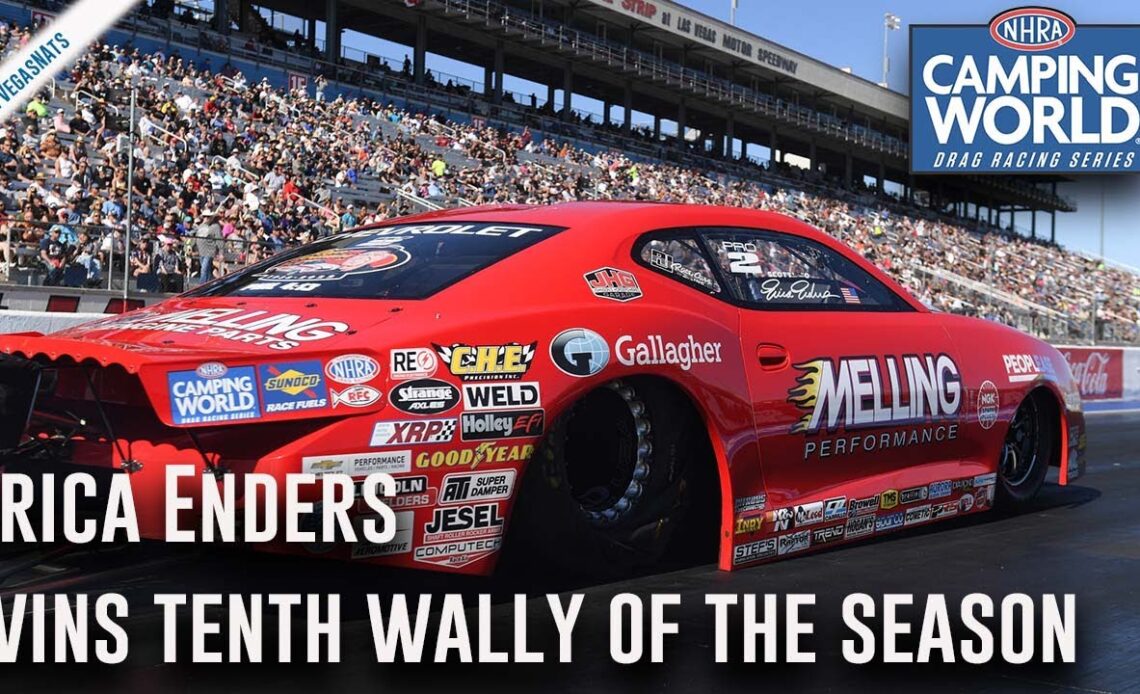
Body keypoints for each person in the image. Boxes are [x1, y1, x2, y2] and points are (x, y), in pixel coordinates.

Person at [194, 208, 223, 284]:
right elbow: (197, 238)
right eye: (204, 216)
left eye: (208, 217)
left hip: (209, 251)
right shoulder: (201, 226)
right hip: (201, 252)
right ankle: (209, 284)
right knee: (207, 269)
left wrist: (221, 252)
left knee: (204, 269)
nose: (206, 218)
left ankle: (201, 286)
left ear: (211, 217)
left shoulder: (215, 227)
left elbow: (219, 239)